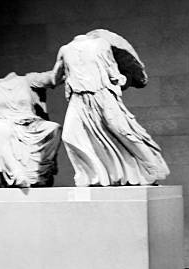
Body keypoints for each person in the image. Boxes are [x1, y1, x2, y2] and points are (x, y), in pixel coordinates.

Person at [50, 33, 169, 186]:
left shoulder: (94, 45)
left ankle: (152, 165)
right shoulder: (69, 49)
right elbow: (114, 73)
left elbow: (55, 78)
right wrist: (124, 78)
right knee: (70, 135)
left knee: (120, 129)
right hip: (79, 99)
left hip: (102, 94)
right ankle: (95, 175)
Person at [0, 71, 62, 187]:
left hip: (30, 123)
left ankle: (37, 172)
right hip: (5, 123)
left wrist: (66, 62)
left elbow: (52, 78)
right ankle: (16, 173)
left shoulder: (28, 81)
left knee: (54, 128)